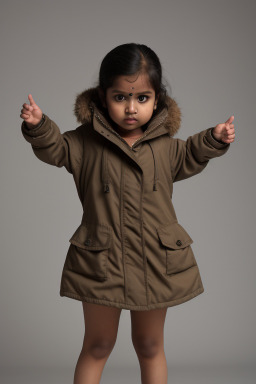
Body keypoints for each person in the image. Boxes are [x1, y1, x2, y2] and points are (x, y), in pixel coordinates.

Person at [20, 43, 235, 384]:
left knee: (149, 345)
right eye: (120, 97)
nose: (131, 108)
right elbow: (57, 149)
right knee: (98, 344)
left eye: (142, 98)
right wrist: (39, 126)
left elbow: (193, 153)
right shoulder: (86, 143)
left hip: (155, 259)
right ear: (103, 96)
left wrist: (215, 138)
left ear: (157, 98)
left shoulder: (166, 147)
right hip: (102, 262)